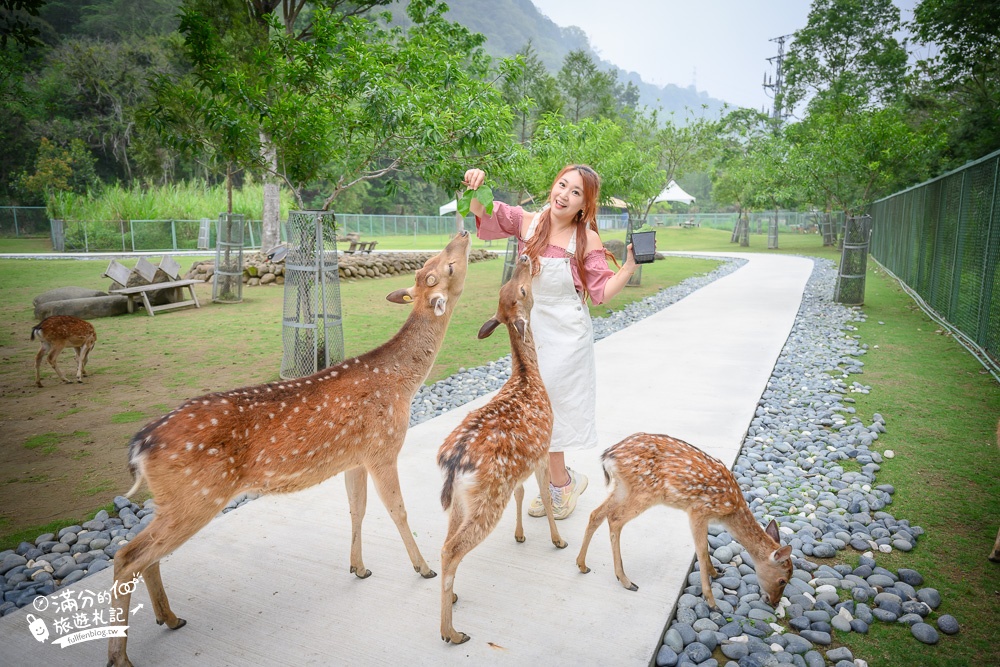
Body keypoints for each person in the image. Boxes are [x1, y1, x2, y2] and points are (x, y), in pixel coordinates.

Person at [462, 164, 638, 519]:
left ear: (584, 206)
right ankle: (560, 482)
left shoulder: (586, 238)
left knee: (548, 405)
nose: (564, 195)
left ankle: (560, 485)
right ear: (553, 186)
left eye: (576, 193)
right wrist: (474, 184)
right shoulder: (528, 222)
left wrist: (628, 268)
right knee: (533, 408)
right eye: (562, 185)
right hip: (531, 328)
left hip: (568, 333)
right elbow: (479, 211)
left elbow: (600, 292)